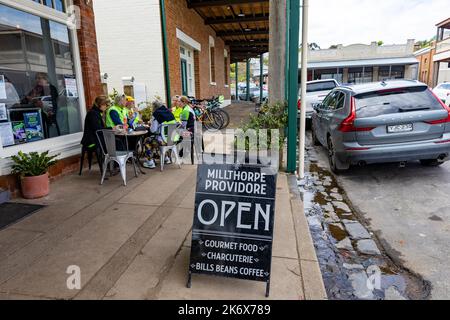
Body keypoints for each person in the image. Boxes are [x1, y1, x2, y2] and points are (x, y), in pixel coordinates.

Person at [142, 100, 178, 169]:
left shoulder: (156, 114)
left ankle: (150, 162)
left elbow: (153, 130)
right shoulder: (169, 113)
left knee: (147, 140)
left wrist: (150, 124)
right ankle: (166, 158)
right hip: (172, 140)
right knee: (161, 137)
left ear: (154, 107)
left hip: (162, 141)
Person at [80, 95, 109, 171]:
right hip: (90, 141)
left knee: (112, 141)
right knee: (111, 143)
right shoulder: (93, 113)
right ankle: (109, 167)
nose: (106, 107)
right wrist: (112, 128)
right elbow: (98, 129)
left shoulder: (96, 112)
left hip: (95, 138)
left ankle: (111, 166)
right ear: (100, 104)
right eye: (106, 105)